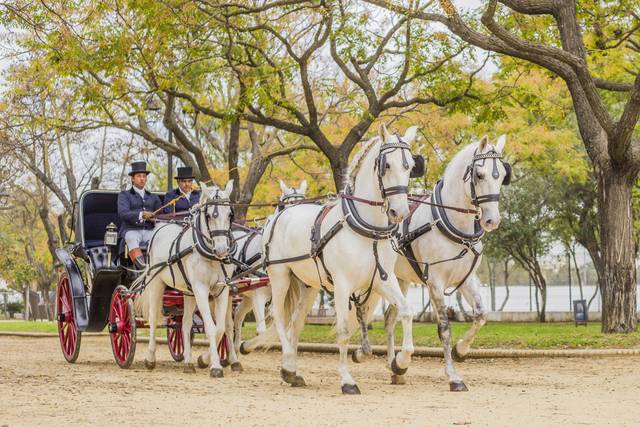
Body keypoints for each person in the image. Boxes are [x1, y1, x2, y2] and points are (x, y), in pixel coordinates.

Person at [117, 161, 162, 268]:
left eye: (144, 176)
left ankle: (158, 265)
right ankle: (142, 267)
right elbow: (123, 213)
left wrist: (155, 218)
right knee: (131, 238)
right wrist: (141, 214)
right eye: (139, 176)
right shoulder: (124, 195)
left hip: (149, 230)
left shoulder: (153, 197)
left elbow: (160, 214)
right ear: (133, 179)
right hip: (131, 229)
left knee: (160, 237)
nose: (142, 178)